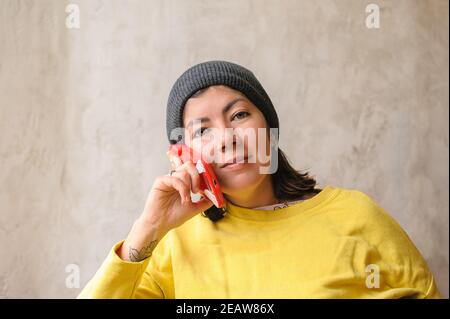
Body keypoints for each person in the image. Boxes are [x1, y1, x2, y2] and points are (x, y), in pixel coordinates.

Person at [78, 60, 441, 298]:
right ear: (183, 155)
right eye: (202, 131)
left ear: (269, 127)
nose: (227, 137)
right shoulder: (175, 247)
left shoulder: (356, 215)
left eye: (238, 115)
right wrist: (148, 229)